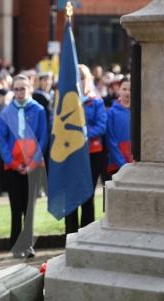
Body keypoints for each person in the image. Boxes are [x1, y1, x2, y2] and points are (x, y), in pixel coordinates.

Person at [0, 74, 47, 258]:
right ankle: (15, 246)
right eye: (16, 89)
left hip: (33, 167)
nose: (19, 92)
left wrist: (33, 163)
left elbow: (43, 138)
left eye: (23, 89)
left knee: (29, 208)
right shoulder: (5, 112)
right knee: (15, 207)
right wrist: (12, 162)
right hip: (13, 167)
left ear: (29, 89)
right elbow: (2, 141)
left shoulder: (39, 110)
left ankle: (27, 245)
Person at [65, 64, 107, 234]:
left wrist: (84, 135)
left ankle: (86, 235)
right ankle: (70, 236)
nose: (79, 82)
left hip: (92, 154)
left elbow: (101, 126)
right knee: (71, 197)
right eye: (76, 78)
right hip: (71, 154)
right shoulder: (65, 101)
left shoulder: (96, 101)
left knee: (87, 196)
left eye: (82, 78)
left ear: (88, 80)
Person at [105, 76, 132, 177]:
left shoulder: (138, 112)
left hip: (134, 161)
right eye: (124, 89)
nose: (127, 93)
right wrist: (122, 163)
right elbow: (111, 140)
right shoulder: (111, 112)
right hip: (117, 163)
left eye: (130, 89)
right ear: (119, 90)